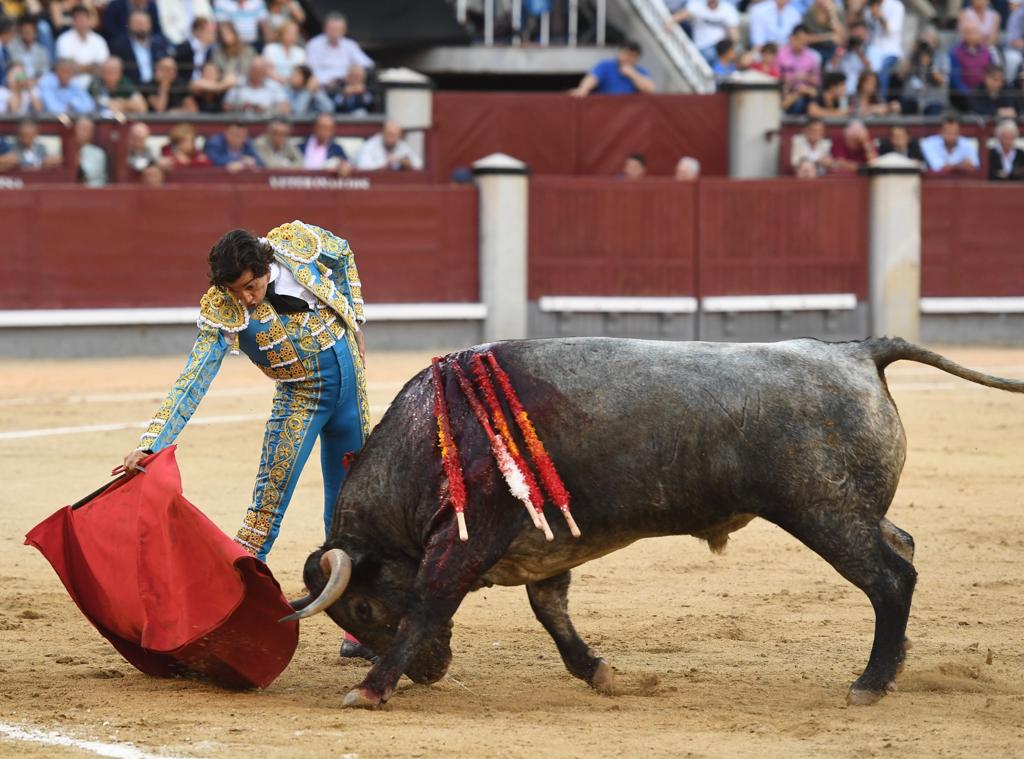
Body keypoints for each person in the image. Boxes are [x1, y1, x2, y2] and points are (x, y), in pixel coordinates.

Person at [120, 223, 369, 567]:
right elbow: (194, 377)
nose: (247, 299)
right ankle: (239, 598)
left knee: (352, 506)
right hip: (301, 400)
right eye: (237, 291)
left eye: (251, 286)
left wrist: (354, 318)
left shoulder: (296, 245)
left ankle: (353, 607)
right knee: (264, 514)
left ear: (266, 267)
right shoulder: (223, 309)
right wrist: (152, 443)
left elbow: (342, 253)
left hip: (352, 396)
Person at [305, 12, 372, 94]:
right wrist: (326, 81)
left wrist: (354, 72)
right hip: (322, 86)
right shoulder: (314, 44)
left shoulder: (350, 45)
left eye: (337, 29)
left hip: (345, 84)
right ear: (325, 28)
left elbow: (367, 64)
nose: (334, 32)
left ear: (344, 30)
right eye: (332, 29)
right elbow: (311, 69)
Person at [665, 0, 740, 64]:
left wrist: (731, 48)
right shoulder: (698, 4)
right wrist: (671, 22)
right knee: (710, 53)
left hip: (719, 48)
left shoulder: (728, 9)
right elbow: (682, 15)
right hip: (702, 46)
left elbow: (734, 34)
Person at [570, 40, 655, 96]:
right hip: (607, 111)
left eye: (633, 56)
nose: (628, 58)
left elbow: (650, 89)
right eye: (626, 54)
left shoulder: (640, 71)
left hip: (630, 114)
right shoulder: (605, 66)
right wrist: (584, 89)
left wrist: (633, 75)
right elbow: (592, 78)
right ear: (620, 52)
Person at [111, 9, 172, 85]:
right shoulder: (119, 45)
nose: (140, 26)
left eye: (143, 23)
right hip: (130, 88)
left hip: (156, 86)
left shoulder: (160, 44)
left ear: (150, 24)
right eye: (137, 23)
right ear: (129, 24)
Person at [54, 4, 108, 89]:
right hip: (70, 86)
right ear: (73, 21)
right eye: (78, 19)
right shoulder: (63, 40)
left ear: (89, 20)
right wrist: (92, 67)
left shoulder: (99, 40)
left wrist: (78, 67)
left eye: (83, 18)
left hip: (95, 86)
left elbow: (103, 67)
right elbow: (66, 68)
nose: (81, 22)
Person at [863, 0, 903, 99]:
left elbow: (890, 30)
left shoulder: (896, 6)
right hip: (873, 49)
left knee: (882, 71)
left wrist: (879, 16)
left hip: (890, 50)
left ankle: (881, 100)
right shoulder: (869, 6)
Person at [778, 24, 822, 114]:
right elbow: (776, 76)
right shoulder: (781, 54)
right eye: (800, 40)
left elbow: (817, 81)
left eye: (805, 41)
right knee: (796, 102)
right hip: (787, 90)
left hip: (806, 92)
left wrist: (806, 78)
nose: (802, 43)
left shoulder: (812, 57)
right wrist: (795, 77)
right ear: (792, 38)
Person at [949, 21, 993, 109]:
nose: (971, 35)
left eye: (974, 32)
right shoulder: (955, 53)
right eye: (968, 32)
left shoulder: (987, 52)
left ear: (980, 34)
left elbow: (991, 72)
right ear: (963, 35)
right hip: (963, 94)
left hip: (983, 92)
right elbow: (955, 80)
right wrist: (970, 93)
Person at [353, 120, 422, 172]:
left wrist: (405, 162)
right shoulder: (370, 145)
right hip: (373, 185)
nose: (391, 138)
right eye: (389, 134)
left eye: (395, 135)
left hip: (396, 185)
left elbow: (419, 164)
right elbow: (362, 166)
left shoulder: (402, 145)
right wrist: (385, 163)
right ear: (382, 132)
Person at [174, 15, 215, 84]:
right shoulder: (185, 47)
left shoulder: (210, 50)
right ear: (198, 31)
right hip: (185, 85)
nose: (212, 34)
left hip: (203, 83)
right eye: (208, 31)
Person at [9, 15, 51, 80]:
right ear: (20, 32)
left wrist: (34, 80)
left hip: (37, 84)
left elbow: (45, 72)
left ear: (35, 33)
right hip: (18, 82)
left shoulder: (42, 51)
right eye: (24, 32)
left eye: (29, 32)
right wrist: (25, 79)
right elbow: (12, 71)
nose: (27, 34)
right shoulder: (11, 49)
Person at [802, 0, 844, 64]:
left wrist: (833, 15)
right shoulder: (809, 14)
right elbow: (805, 38)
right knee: (816, 57)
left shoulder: (838, 13)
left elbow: (841, 38)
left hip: (831, 49)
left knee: (840, 53)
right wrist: (829, 37)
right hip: (814, 48)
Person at [73, 114, 106, 185]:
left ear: (92, 132)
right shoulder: (68, 150)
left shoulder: (98, 153)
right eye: (79, 128)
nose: (81, 132)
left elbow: (87, 175)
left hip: (93, 192)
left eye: (85, 129)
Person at [1006, 0, 1024, 85]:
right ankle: (1010, 86)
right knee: (1013, 59)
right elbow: (1013, 42)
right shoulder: (1018, 14)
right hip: (1016, 51)